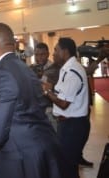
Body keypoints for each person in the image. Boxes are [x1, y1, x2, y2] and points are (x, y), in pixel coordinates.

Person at [0, 23, 67, 178]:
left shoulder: (1, 74)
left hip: (21, 158)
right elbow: (32, 107)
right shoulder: (25, 68)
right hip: (41, 148)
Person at [42, 37, 90, 178]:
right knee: (67, 166)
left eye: (56, 50)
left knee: (66, 168)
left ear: (65, 51)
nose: (54, 54)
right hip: (69, 124)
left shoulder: (72, 72)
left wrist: (45, 92)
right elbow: (63, 92)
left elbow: (63, 103)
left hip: (73, 126)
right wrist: (51, 88)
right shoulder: (68, 68)